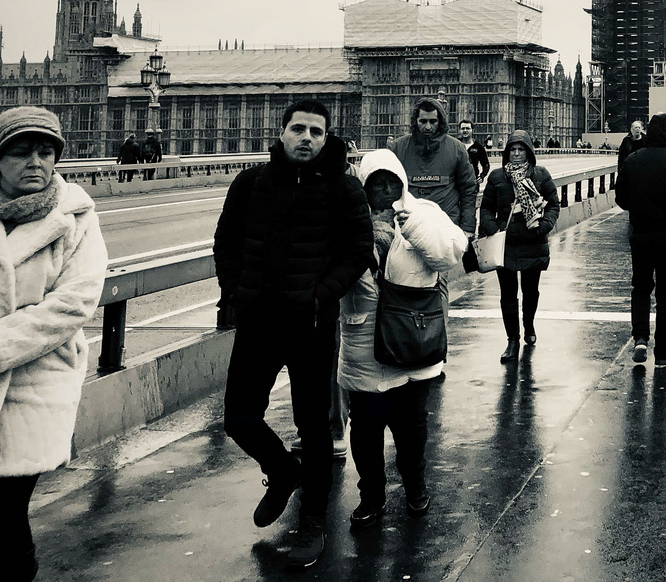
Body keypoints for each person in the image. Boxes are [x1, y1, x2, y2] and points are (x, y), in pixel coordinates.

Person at [213, 99, 373, 569]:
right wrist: (235, 291)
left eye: (317, 132)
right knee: (239, 418)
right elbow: (226, 242)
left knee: (314, 428)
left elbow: (358, 251)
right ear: (281, 132)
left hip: (311, 326)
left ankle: (313, 522)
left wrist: (319, 296)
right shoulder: (250, 184)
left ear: (327, 138)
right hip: (258, 322)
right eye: (299, 129)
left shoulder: (344, 189)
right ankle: (282, 472)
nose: (307, 138)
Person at [0, 107, 108, 582]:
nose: (35, 163)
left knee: (6, 514)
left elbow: (74, 304)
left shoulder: (77, 215)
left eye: (45, 152)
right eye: (21, 152)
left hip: (35, 384)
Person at [339, 150, 467, 527]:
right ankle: (371, 497)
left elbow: (452, 253)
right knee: (365, 432)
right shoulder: (350, 219)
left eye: (391, 181)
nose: (384, 189)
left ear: (402, 183)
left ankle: (415, 488)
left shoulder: (423, 212)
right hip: (364, 343)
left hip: (412, 340)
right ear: (364, 186)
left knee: (412, 430)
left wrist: (408, 228)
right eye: (376, 183)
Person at [613, 114, 666, 368]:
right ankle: (662, 354)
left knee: (641, 288)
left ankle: (641, 339)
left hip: (641, 235)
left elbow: (621, 199)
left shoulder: (633, 159)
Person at [477, 130, 560, 362]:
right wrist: (491, 227)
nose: (515, 154)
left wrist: (544, 226)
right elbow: (485, 208)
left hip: (533, 242)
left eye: (520, 149)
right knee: (508, 294)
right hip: (506, 244)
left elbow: (554, 204)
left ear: (528, 152)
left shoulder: (540, 175)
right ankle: (512, 340)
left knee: (530, 291)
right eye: (512, 150)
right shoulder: (496, 177)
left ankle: (529, 325)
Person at [388, 99, 478, 233]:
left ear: (440, 122)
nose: (428, 127)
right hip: (408, 228)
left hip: (446, 226)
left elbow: (468, 189)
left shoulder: (456, 148)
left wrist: (467, 228)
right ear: (415, 121)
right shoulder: (398, 148)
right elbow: (387, 190)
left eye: (433, 121)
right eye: (423, 121)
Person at [457, 120, 491, 185]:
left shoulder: (479, 147)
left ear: (473, 130)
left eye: (468, 128)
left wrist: (482, 176)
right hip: (456, 182)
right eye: (463, 128)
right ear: (459, 130)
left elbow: (486, 165)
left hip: (472, 182)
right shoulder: (455, 145)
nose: (465, 130)